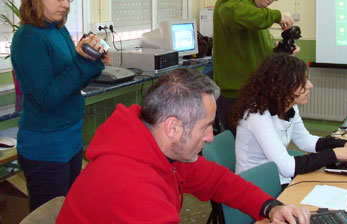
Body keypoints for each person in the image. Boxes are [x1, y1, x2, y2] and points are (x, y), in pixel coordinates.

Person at [57, 68, 310, 224]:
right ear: (173, 128)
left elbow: (218, 180)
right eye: (206, 127)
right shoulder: (132, 186)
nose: (211, 137)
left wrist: (270, 207)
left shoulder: (160, 147)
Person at [10, 0, 109, 211]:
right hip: (46, 146)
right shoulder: (28, 38)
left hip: (70, 138)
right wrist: (83, 62)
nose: (66, 4)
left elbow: (72, 84)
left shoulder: (58, 30)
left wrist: (94, 61)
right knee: (50, 215)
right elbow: (47, 97)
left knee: (70, 210)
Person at [230, 53, 347, 186]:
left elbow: (305, 140)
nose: (310, 85)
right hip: (256, 186)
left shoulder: (288, 106)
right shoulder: (258, 115)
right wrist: (333, 154)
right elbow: (287, 167)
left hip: (276, 177)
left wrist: (343, 145)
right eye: (303, 81)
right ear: (284, 84)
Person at [213, 0, 298, 134]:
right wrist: (277, 15)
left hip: (257, 96)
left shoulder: (257, 12)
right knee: (248, 157)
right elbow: (236, 15)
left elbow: (256, 54)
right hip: (237, 98)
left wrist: (279, 52)